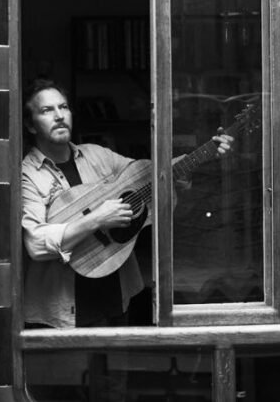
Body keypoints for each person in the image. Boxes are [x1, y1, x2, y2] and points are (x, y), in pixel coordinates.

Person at [21, 79, 233, 328]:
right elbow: (36, 244)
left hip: (116, 292)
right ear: (30, 125)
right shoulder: (28, 174)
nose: (59, 116)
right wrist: (98, 219)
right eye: (47, 110)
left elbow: (150, 176)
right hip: (65, 308)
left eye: (63, 107)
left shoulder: (96, 154)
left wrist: (204, 155)